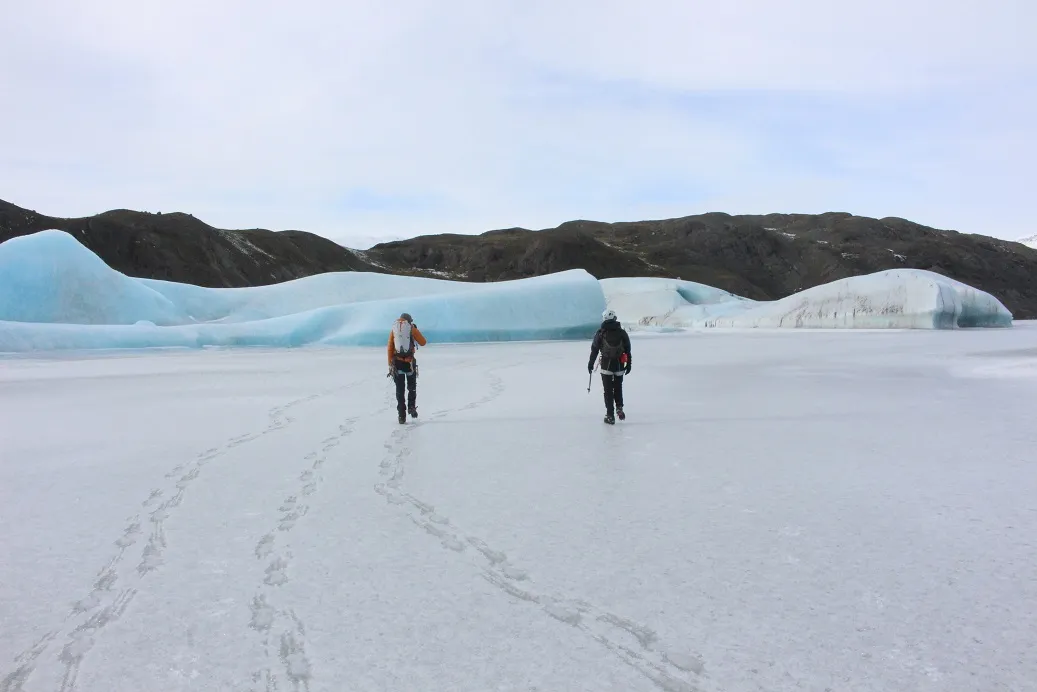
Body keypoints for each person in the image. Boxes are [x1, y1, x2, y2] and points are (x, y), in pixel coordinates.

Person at [587, 309, 632, 425]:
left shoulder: (601, 332)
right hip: (619, 365)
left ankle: (610, 415)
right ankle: (619, 407)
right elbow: (628, 349)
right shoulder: (622, 333)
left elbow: (595, 349)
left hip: (606, 365)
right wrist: (629, 364)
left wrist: (590, 364)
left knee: (608, 391)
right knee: (618, 387)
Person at [387, 313, 427, 424]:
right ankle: (411, 407)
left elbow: (390, 347)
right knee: (411, 387)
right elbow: (423, 342)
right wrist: (415, 330)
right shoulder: (411, 328)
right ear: (409, 320)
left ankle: (401, 415)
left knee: (400, 390)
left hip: (397, 363)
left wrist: (390, 364)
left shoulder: (394, 329)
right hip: (409, 364)